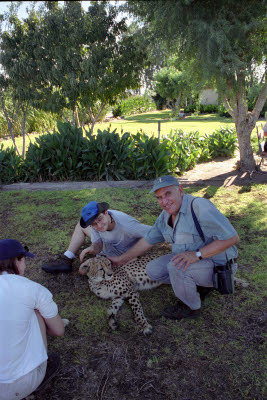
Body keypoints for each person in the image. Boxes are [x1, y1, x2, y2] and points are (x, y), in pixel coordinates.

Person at [108, 175, 239, 320]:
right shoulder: (165, 216)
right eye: (159, 197)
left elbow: (232, 238)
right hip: (193, 261)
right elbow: (147, 240)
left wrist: (196, 255)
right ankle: (197, 285)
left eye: (168, 194)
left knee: (175, 267)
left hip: (219, 266)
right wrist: (121, 259)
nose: (164, 201)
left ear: (180, 190)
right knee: (153, 270)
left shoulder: (199, 207)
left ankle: (191, 307)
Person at [0, 239, 65, 400]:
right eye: (24, 260)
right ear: (16, 261)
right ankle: (39, 372)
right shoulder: (32, 289)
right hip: (17, 385)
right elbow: (59, 330)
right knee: (36, 313)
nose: (26, 265)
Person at [41, 201, 151, 274]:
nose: (98, 226)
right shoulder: (95, 223)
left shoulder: (127, 225)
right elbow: (98, 245)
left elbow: (153, 234)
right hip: (108, 246)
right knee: (80, 225)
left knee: (84, 272)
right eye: (93, 224)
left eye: (100, 219)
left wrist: (127, 256)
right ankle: (67, 258)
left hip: (123, 255)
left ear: (106, 212)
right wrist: (93, 248)